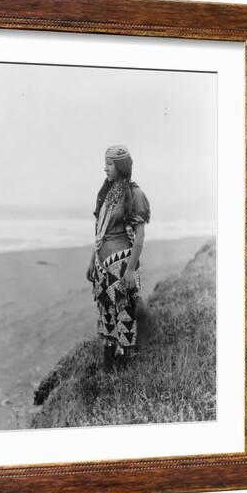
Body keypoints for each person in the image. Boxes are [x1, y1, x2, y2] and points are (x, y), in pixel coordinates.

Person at [86, 145, 150, 371]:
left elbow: (140, 236)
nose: (105, 168)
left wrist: (131, 270)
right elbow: (100, 232)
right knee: (106, 315)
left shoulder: (135, 194)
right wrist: (92, 260)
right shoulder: (107, 193)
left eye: (110, 164)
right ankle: (108, 367)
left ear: (121, 166)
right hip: (103, 267)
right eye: (105, 163)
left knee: (124, 315)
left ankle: (124, 372)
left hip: (122, 266)